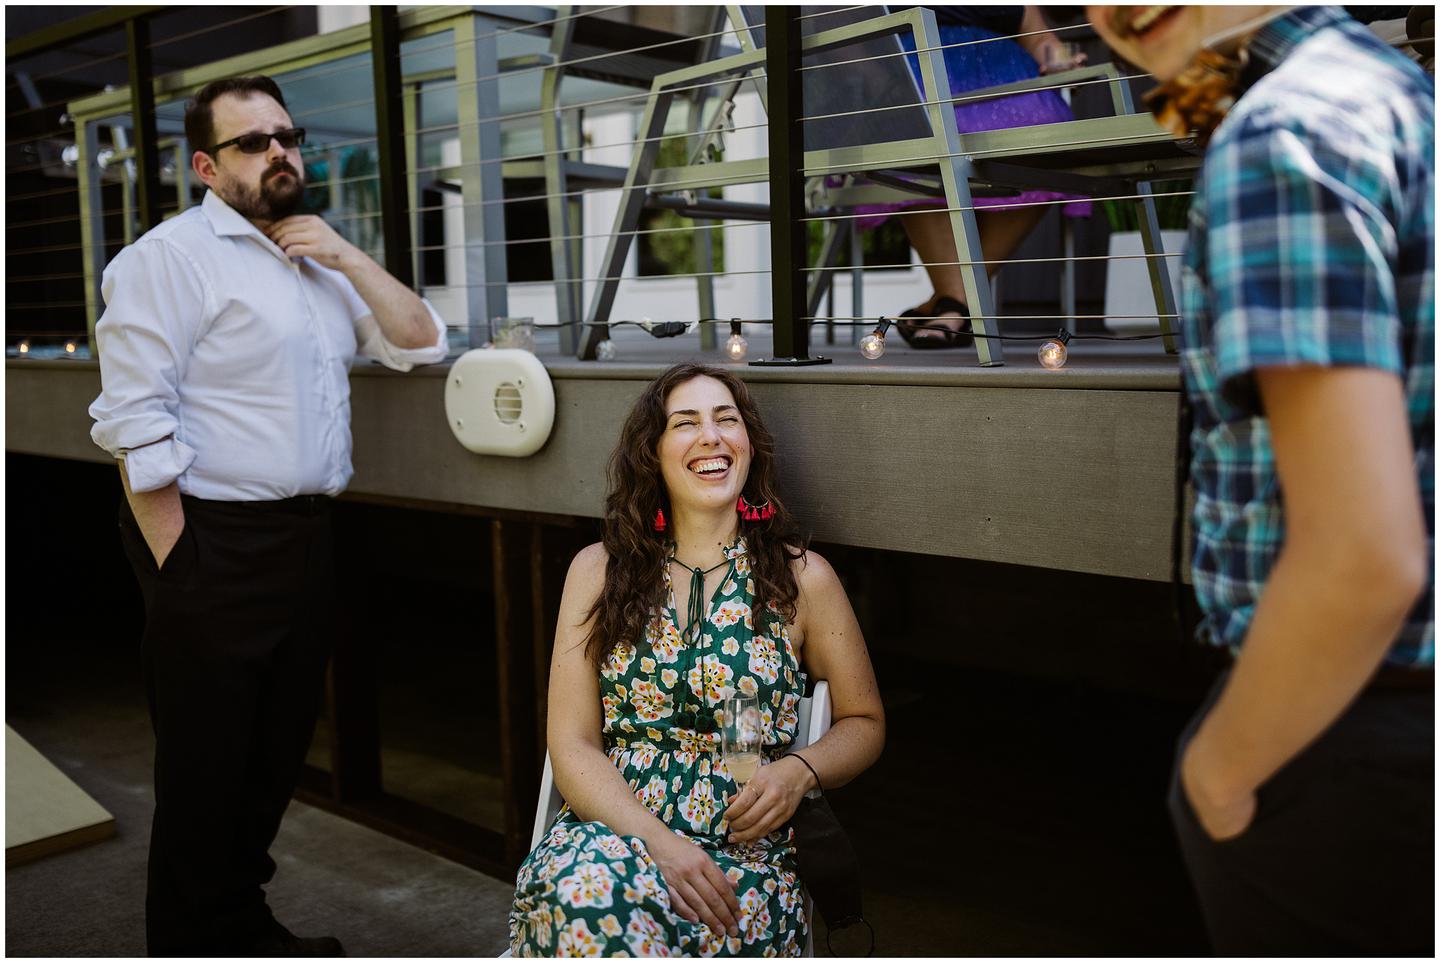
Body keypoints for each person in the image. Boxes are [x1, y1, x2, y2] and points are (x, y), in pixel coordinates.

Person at [1086, 5, 1433, 955]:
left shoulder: (1286, 132)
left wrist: (1220, 774)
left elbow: (1364, 558)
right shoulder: (1397, 92)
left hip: (1347, 739)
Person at [88, 75, 449, 956]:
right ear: (209, 166)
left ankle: (238, 921)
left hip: (308, 539)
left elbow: (423, 340)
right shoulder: (165, 260)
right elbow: (135, 419)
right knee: (205, 767)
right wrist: (183, 560)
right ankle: (191, 937)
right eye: (253, 142)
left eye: (287, 135)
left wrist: (348, 255)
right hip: (213, 542)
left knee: (274, 754)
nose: (280, 151)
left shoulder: (315, 261)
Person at [509, 363, 885, 956]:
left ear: (748, 448)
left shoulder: (802, 579)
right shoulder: (597, 571)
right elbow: (572, 743)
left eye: (725, 419)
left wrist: (799, 771)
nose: (710, 436)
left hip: (744, 854)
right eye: (685, 423)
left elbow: (865, 723)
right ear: (652, 454)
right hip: (613, 835)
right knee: (590, 899)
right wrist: (660, 843)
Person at [862, 6, 1093, 348]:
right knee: (922, 152)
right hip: (921, 79)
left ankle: (949, 304)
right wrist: (884, 82)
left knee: (1046, 149)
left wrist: (1059, 59)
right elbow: (852, 41)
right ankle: (955, 306)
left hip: (1008, 86)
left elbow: (1041, 38)